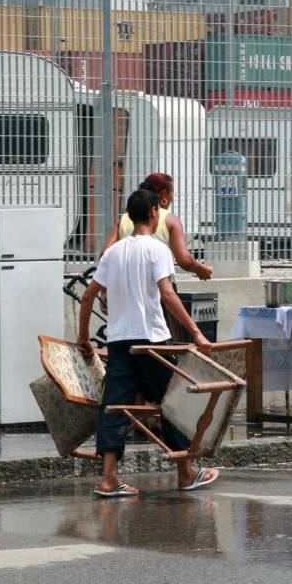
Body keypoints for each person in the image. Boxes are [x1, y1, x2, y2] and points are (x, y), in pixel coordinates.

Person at [77, 188, 219, 498]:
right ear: (154, 213)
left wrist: (83, 338)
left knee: (114, 406)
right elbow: (167, 294)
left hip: (119, 342)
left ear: (129, 216)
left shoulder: (112, 252)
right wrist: (195, 331)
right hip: (153, 340)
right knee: (171, 403)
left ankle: (109, 478)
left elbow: (88, 296)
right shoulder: (157, 250)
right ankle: (185, 472)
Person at [101, 172, 213, 281]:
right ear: (164, 194)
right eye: (172, 193)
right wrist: (200, 269)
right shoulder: (170, 220)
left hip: (126, 288)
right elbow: (184, 260)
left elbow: (104, 254)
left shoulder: (125, 218)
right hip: (159, 288)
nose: (173, 198)